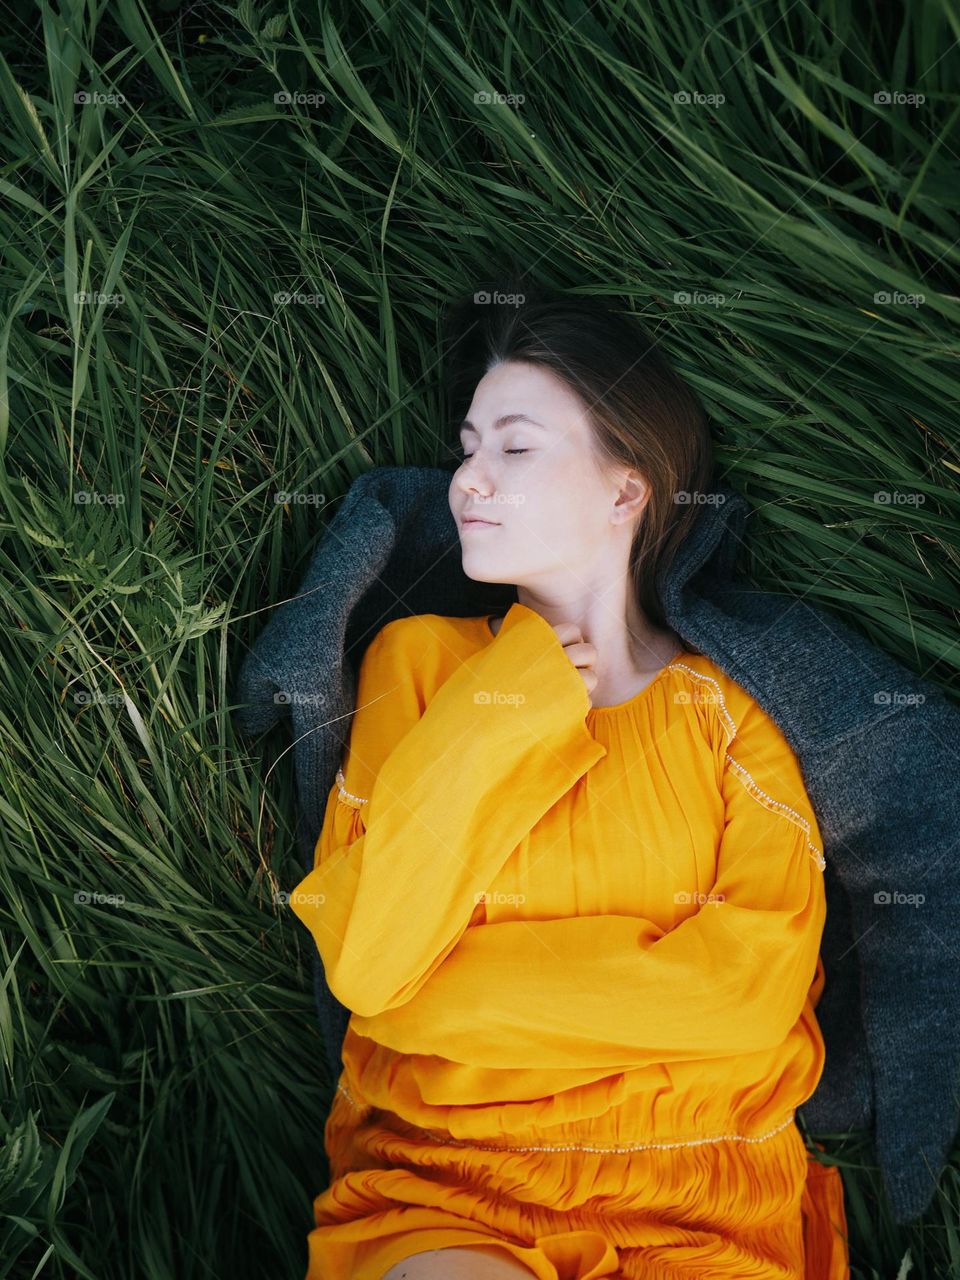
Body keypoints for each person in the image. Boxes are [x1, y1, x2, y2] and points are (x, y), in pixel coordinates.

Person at [287, 283, 850, 1279]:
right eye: (466, 447)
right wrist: (505, 700)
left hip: (700, 1194)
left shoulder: (731, 709)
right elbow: (371, 966)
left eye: (513, 446)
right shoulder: (421, 666)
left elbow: (747, 993)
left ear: (626, 487)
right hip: (453, 1183)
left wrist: (446, 1004)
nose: (468, 479)